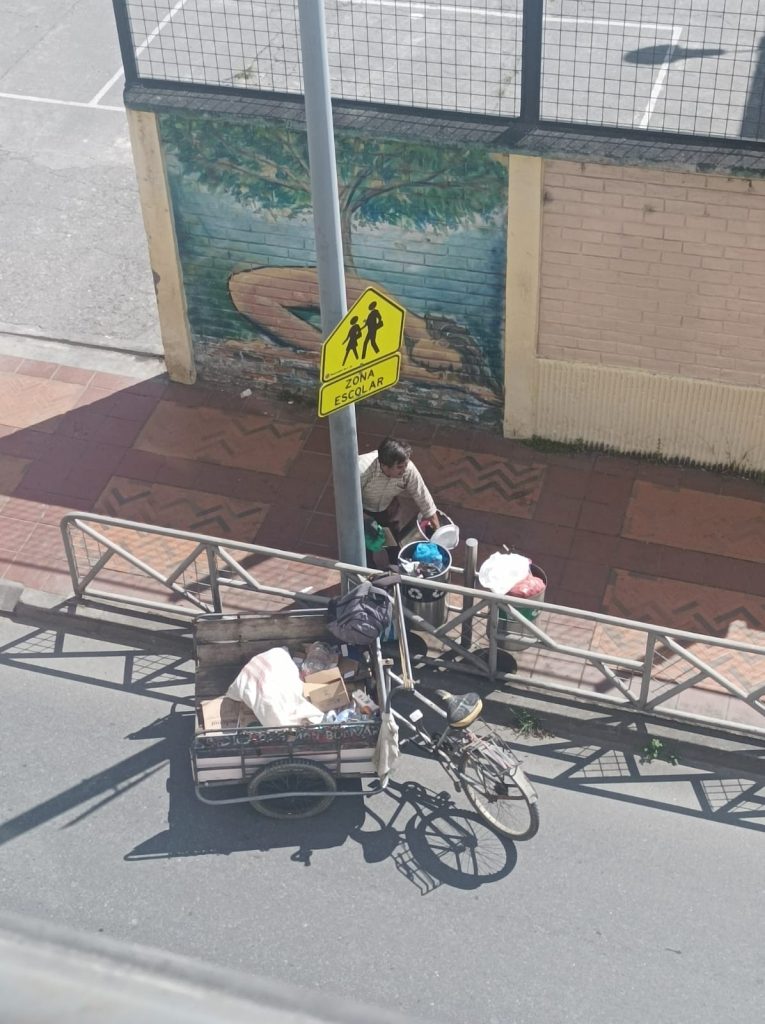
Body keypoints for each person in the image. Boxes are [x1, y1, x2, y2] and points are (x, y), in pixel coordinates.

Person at [358, 438, 439, 551]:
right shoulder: (361, 469)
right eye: (400, 467)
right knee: (365, 544)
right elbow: (347, 499)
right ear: (385, 465)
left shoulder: (408, 469)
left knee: (393, 542)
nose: (404, 470)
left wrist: (437, 531)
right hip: (362, 509)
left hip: (388, 507)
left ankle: (394, 563)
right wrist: (365, 521)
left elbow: (423, 496)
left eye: (405, 465)